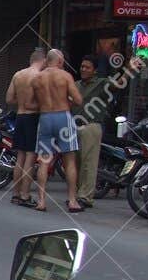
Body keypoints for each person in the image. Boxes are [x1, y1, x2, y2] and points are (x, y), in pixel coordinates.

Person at [33, 47, 83, 212]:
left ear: (47, 61)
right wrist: (66, 101)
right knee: (69, 160)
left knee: (43, 161)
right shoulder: (65, 76)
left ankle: (41, 201)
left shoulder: (37, 78)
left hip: (45, 118)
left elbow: (34, 102)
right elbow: (78, 100)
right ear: (60, 61)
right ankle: (72, 200)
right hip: (63, 117)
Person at [4, 45, 46, 206]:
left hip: (19, 117)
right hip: (32, 118)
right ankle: (25, 195)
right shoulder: (39, 76)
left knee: (20, 157)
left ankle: (15, 193)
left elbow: (9, 99)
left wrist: (22, 102)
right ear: (43, 60)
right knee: (30, 156)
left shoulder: (18, 74)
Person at [75, 56, 108, 209]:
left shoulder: (101, 83)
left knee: (89, 164)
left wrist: (130, 69)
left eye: (87, 67)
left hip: (91, 126)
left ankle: (85, 197)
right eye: (82, 66)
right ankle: (77, 193)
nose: (83, 69)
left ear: (94, 71)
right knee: (76, 162)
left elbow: (119, 84)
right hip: (75, 126)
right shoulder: (76, 85)